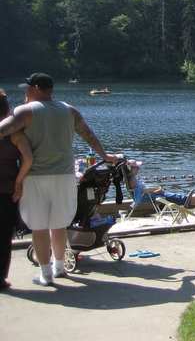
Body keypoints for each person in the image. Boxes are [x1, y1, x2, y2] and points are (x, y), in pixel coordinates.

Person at [0, 73, 116, 286]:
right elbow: (88, 135)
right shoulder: (69, 110)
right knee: (59, 225)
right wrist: (105, 156)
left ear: (35, 88)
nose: (25, 92)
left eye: (27, 88)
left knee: (39, 227)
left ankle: (46, 274)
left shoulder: (24, 111)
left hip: (36, 177)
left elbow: (3, 130)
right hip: (64, 176)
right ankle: (60, 268)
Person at [0, 90, 33, 291]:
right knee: (4, 236)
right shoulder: (15, 133)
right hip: (7, 190)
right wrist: (19, 181)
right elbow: (28, 159)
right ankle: (0, 278)